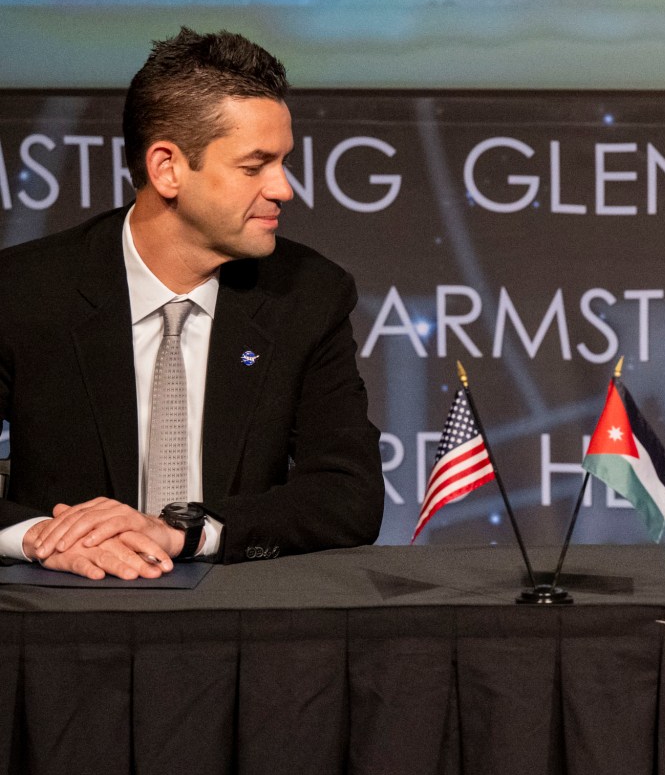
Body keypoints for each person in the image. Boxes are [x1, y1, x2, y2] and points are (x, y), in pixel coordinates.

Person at [0, 28, 384, 579]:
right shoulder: (22, 292)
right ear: (167, 168)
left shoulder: (308, 295)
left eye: (282, 162)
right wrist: (39, 538)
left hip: (236, 613)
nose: (283, 189)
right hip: (63, 610)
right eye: (254, 166)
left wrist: (188, 531)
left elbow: (349, 494)